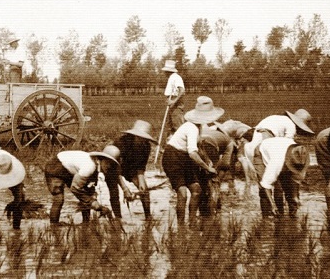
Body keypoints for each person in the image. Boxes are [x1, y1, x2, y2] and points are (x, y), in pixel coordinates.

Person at [162, 96, 224, 227]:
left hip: (184, 158)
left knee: (196, 190)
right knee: (183, 193)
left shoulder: (198, 126)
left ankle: (192, 221)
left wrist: (207, 160)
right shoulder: (191, 128)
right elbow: (193, 153)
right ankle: (181, 226)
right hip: (173, 157)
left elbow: (199, 145)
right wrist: (208, 169)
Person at [44, 148, 119, 224]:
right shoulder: (90, 167)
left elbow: (89, 189)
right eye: (107, 163)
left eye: (111, 165)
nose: (109, 166)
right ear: (102, 160)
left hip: (67, 169)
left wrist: (93, 198)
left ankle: (86, 223)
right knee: (58, 199)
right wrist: (93, 203)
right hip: (55, 167)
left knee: (86, 193)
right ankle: (54, 226)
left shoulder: (96, 165)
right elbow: (75, 188)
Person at [239, 109, 315, 184]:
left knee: (258, 171)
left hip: (250, 139)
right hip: (263, 139)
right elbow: (287, 145)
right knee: (271, 171)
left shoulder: (276, 118)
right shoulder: (291, 125)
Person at [102, 120, 157, 220]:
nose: (142, 141)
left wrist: (141, 182)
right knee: (114, 191)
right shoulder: (121, 142)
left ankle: (148, 217)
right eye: (140, 138)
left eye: (145, 139)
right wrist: (125, 189)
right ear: (135, 135)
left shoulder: (146, 146)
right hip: (112, 166)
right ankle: (118, 218)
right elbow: (115, 168)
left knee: (145, 190)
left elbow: (141, 166)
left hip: (129, 167)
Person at [251, 137, 309, 218]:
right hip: (262, 150)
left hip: (280, 148)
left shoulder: (301, 156)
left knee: (285, 185)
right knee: (264, 190)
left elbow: (296, 180)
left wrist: (295, 197)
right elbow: (265, 185)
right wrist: (272, 205)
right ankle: (266, 218)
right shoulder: (276, 163)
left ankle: (290, 216)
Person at [203, 120, 252, 195]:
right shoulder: (223, 131)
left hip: (241, 138)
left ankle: (229, 185)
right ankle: (220, 184)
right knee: (223, 163)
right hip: (229, 139)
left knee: (228, 162)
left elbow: (241, 158)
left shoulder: (241, 132)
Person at [162, 59, 185, 135]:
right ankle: (171, 145)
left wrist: (173, 101)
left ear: (168, 71)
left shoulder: (176, 77)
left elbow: (182, 90)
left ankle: (181, 146)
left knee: (178, 128)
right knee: (170, 127)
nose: (164, 72)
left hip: (176, 106)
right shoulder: (171, 78)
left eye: (165, 71)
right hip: (171, 106)